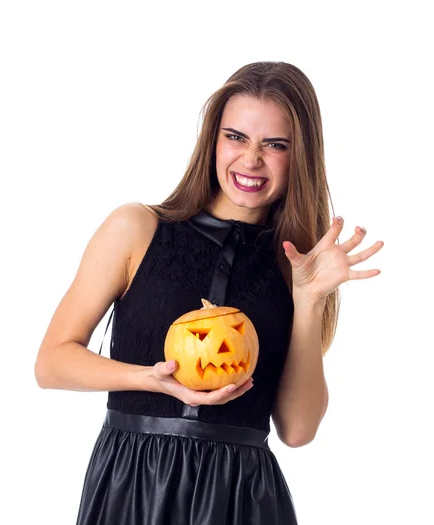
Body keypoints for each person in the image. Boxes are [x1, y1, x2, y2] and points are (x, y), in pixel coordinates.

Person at [34, 61, 383, 525]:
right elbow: (51, 362)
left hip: (242, 497)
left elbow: (298, 431)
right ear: (212, 140)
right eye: (235, 137)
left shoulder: (296, 266)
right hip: (134, 484)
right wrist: (149, 379)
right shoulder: (135, 229)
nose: (251, 160)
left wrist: (308, 299)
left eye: (274, 145)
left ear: (300, 155)